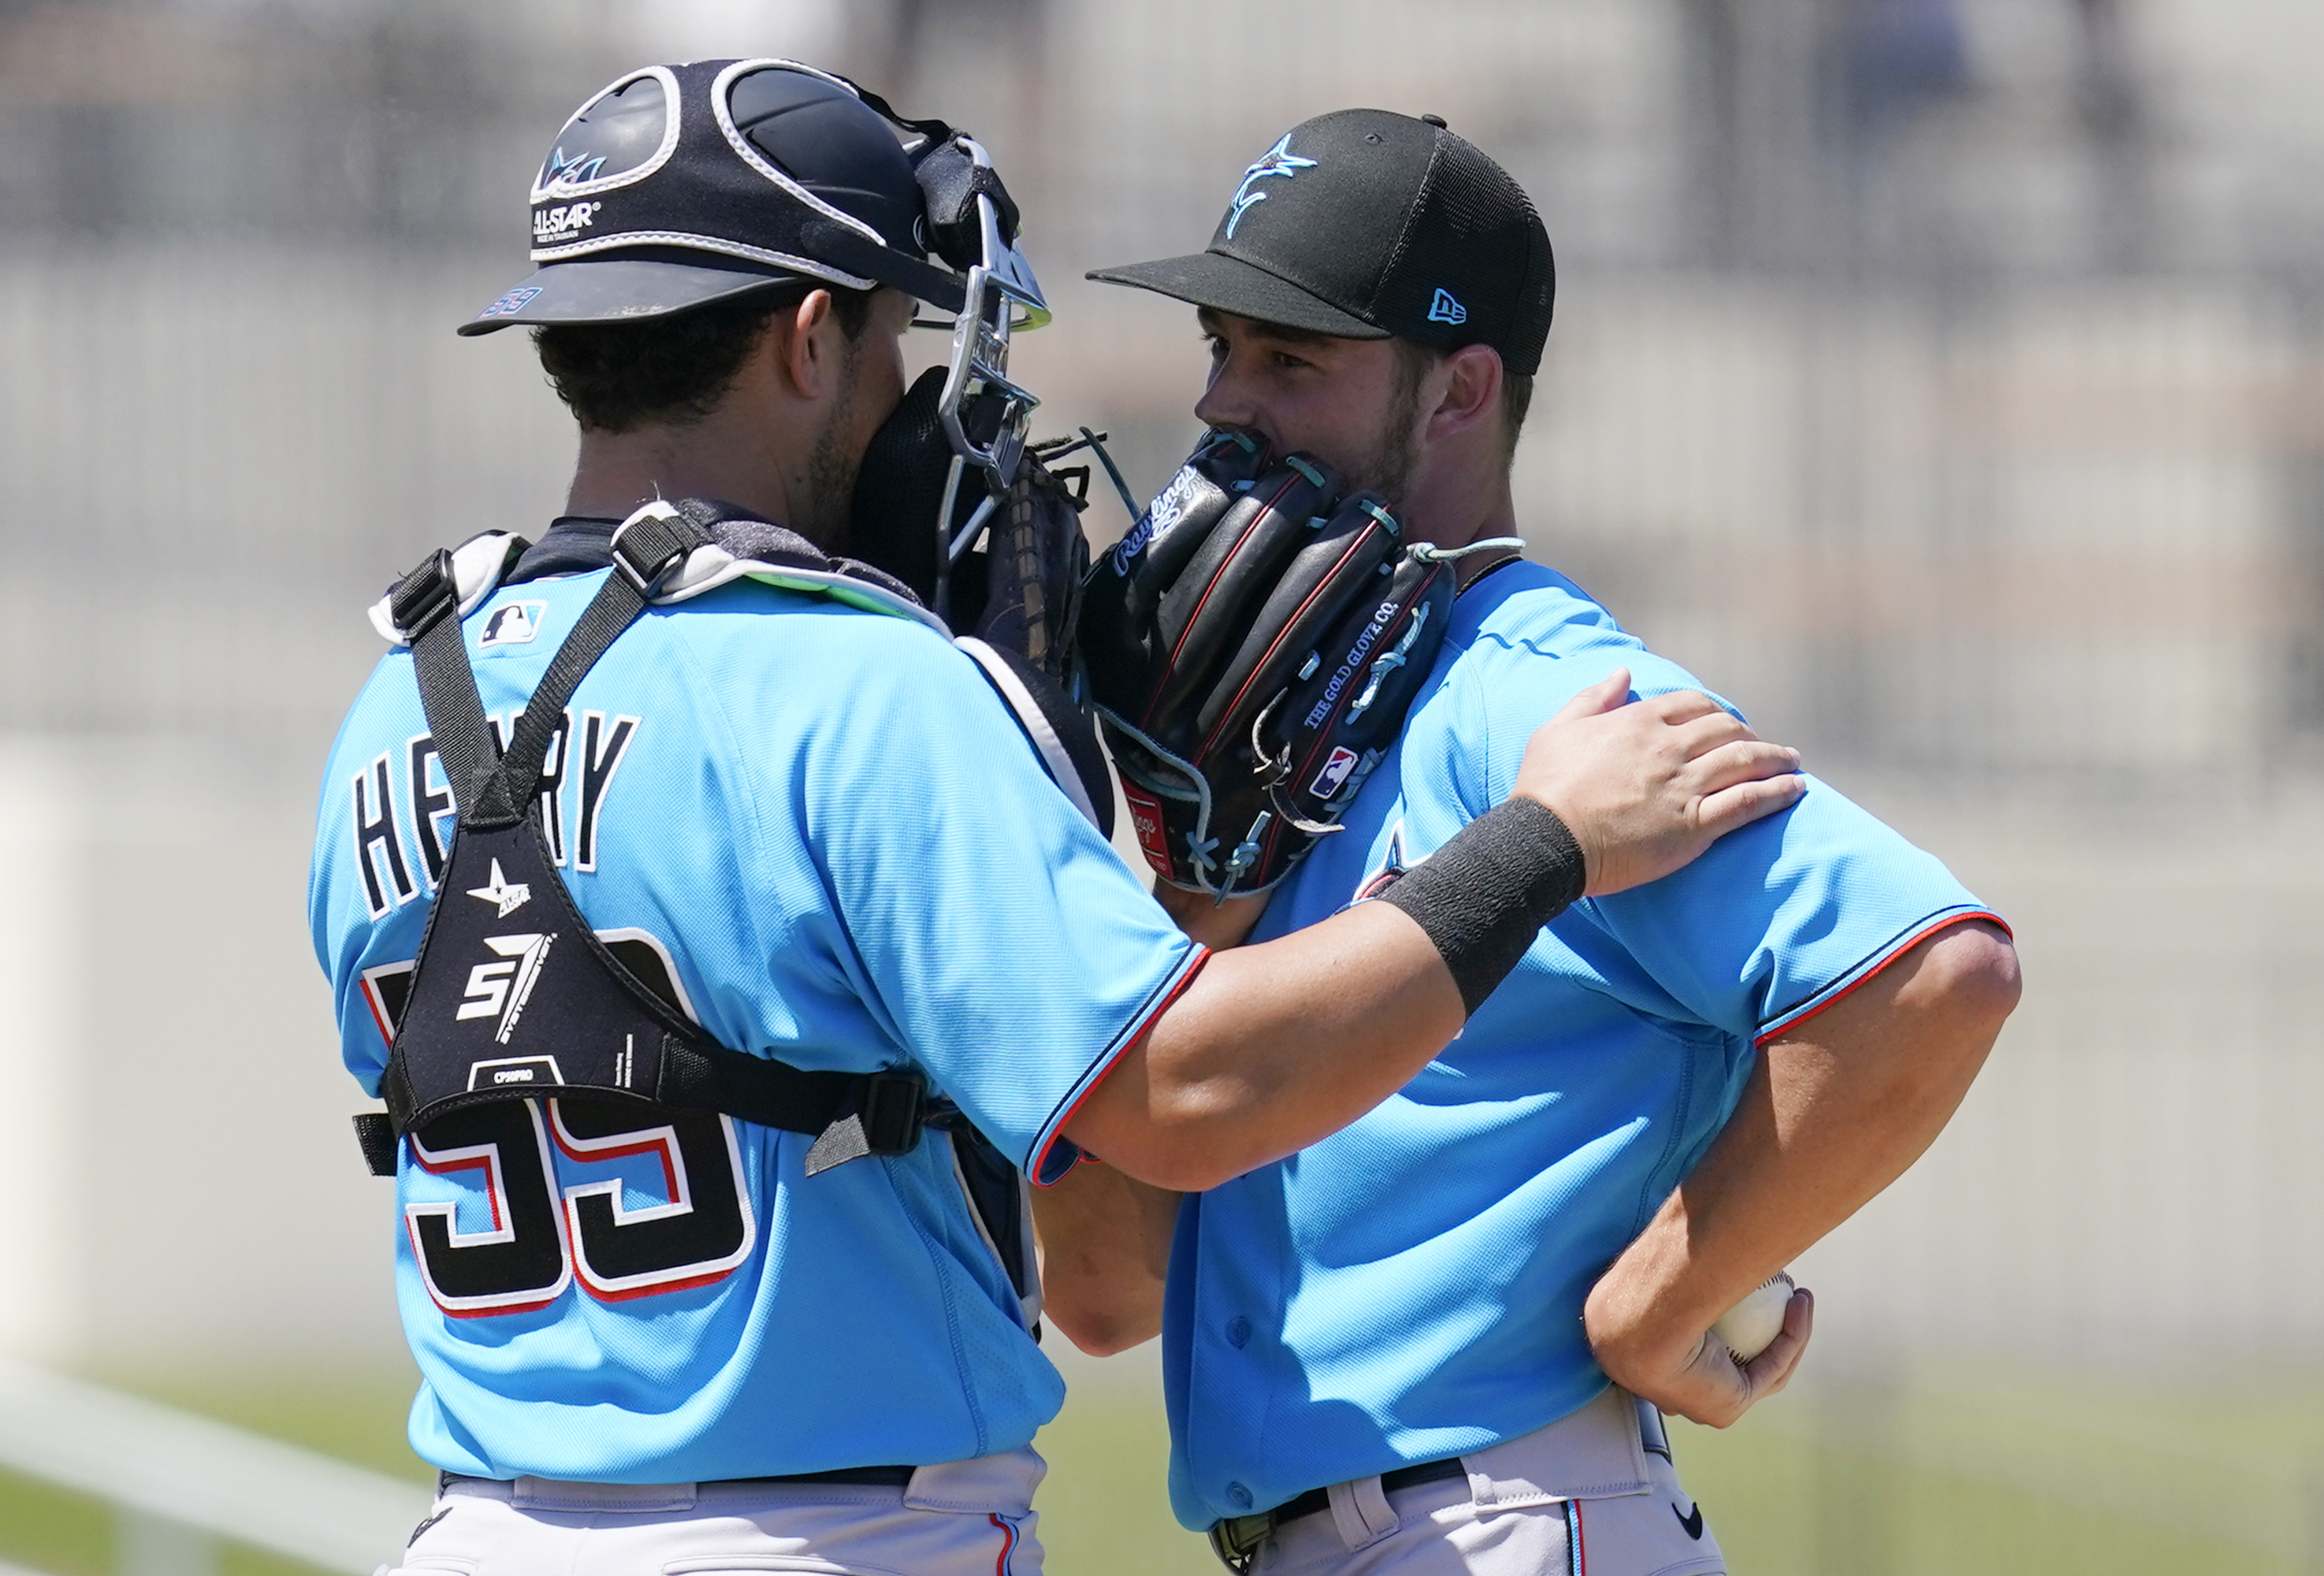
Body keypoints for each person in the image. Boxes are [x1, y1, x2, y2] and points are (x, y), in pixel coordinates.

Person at [306, 63, 1805, 1576]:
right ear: (814, 336)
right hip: (840, 1540)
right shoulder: (857, 682)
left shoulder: (401, 690)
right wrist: (1545, 842)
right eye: (898, 331)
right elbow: (1181, 1093)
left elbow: (1102, 1260)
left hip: (477, 1528)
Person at [1058, 108, 2021, 1575]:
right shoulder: (1278, 726)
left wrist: (1665, 1294)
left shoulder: (1544, 692)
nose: (1224, 410)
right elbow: (1110, 1294)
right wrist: (1190, 893)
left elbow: (1938, 976)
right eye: (1222, 348)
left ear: (1463, 391)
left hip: (1507, 1518)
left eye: (1291, 360)